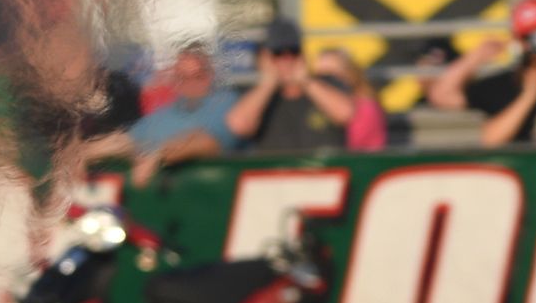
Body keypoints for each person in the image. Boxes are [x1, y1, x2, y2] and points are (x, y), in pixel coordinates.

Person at [425, 0, 536, 145]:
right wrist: (475, 57)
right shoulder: (505, 84)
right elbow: (442, 96)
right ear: (517, 41)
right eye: (528, 38)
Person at [79, 44, 240, 185]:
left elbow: (208, 142)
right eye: (182, 78)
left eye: (197, 77)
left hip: (208, 193)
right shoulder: (164, 114)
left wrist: (158, 156)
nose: (190, 84)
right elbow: (124, 141)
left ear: (210, 75)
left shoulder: (224, 104)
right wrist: (82, 154)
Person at [223, 22, 354, 153]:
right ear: (263, 58)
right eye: (278, 53)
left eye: (293, 51)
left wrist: (306, 81)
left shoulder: (326, 83)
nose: (287, 59)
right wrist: (268, 83)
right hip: (276, 172)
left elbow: (346, 114)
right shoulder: (256, 95)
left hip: (324, 171)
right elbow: (238, 126)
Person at [307, 46, 390, 151]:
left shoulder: (366, 108)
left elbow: (349, 147)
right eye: (320, 77)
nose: (326, 83)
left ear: (349, 73)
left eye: (332, 76)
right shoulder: (316, 103)